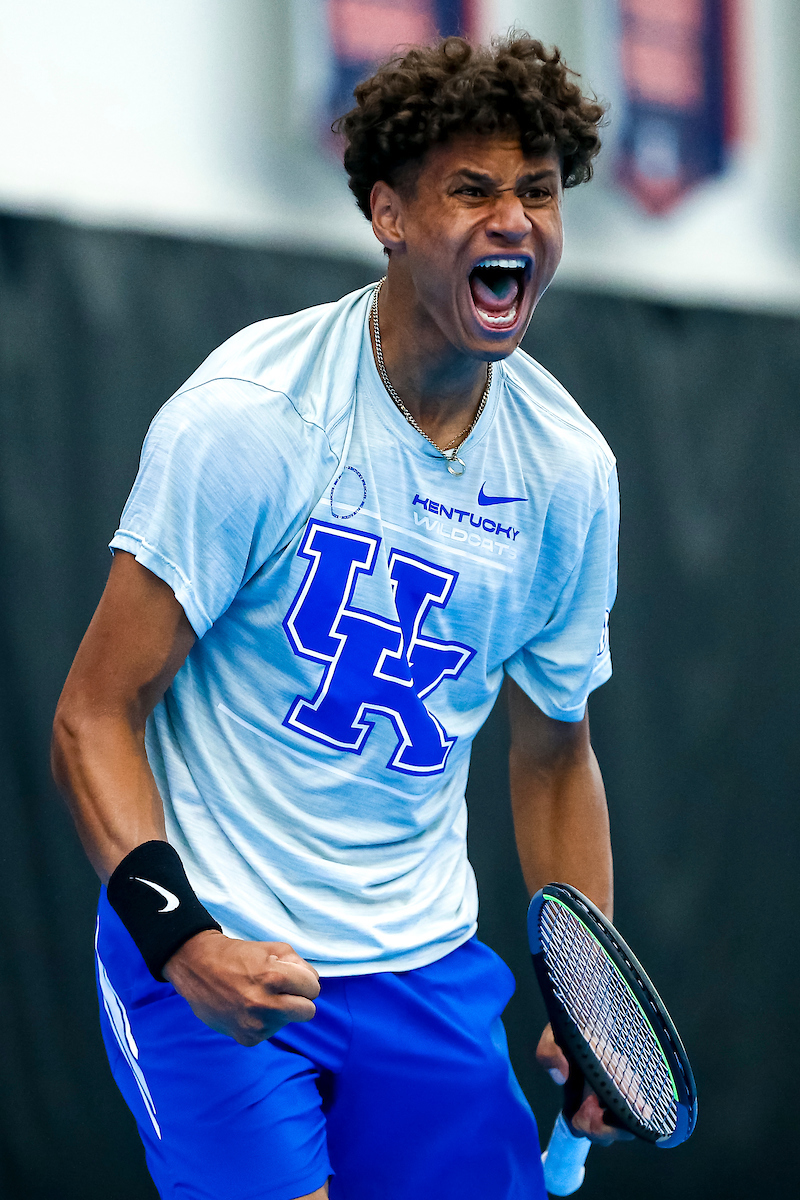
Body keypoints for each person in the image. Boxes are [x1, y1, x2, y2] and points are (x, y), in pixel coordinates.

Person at [52, 34, 625, 1200]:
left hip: (421, 964)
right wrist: (184, 945)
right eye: (471, 188)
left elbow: (553, 753)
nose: (512, 219)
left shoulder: (569, 475)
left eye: (536, 190)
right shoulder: (250, 419)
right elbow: (94, 717)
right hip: (218, 951)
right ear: (388, 215)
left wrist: (588, 996)